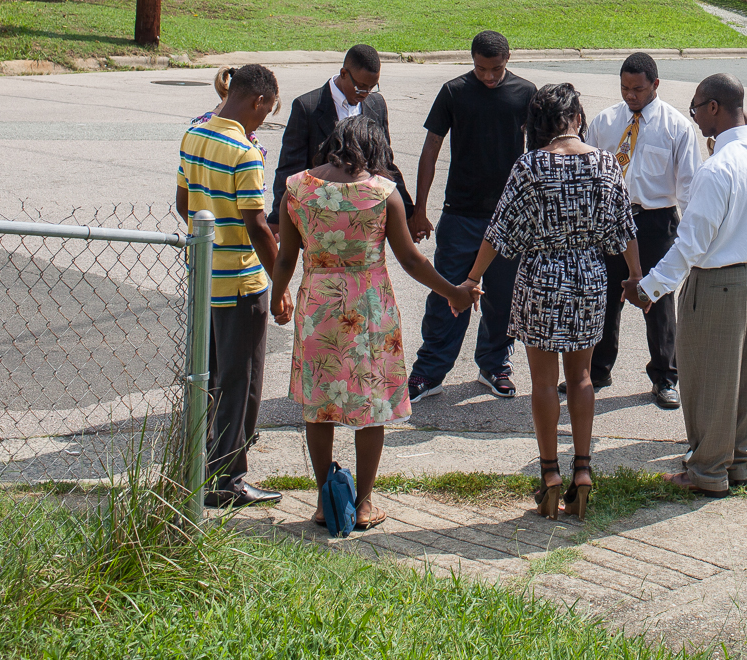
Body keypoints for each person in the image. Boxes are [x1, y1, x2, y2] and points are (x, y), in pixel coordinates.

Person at [271, 116, 477, 531]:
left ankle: (323, 502)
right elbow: (412, 260)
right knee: (371, 407)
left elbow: (287, 254)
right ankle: (363, 504)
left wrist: (279, 293)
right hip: (368, 307)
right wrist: (453, 291)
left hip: (318, 307)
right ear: (375, 150)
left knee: (320, 405)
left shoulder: (297, 188)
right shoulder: (383, 194)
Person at [464, 83, 637, 517]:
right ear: (577, 117)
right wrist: (636, 278)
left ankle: (549, 475)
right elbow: (624, 230)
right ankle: (583, 468)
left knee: (543, 383)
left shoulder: (530, 166)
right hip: (588, 277)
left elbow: (499, 232)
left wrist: (472, 279)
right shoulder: (605, 164)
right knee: (581, 379)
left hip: (541, 277)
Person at [624, 73, 747, 496]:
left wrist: (649, 287)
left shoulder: (718, 167)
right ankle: (739, 463)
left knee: (709, 378)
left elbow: (691, 244)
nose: (693, 118)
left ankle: (707, 471)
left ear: (714, 107)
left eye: (695, 108)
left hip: (720, 281)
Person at [407, 30, 536, 401]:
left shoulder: (525, 93)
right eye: (481, 68)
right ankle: (429, 372)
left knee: (504, 297)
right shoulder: (454, 91)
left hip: (509, 218)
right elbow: (432, 146)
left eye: (495, 69)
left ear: (508, 58)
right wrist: (420, 208)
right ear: (472, 61)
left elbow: (540, 150)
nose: (489, 76)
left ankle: (494, 365)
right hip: (460, 214)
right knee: (447, 293)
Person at [176, 63, 283, 507]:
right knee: (243, 383)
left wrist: (211, 239)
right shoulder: (244, 151)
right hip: (241, 283)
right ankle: (229, 481)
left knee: (208, 376)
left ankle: (196, 468)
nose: (264, 121)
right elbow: (258, 225)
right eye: (267, 113)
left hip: (204, 275)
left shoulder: (194, 132)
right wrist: (281, 283)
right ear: (257, 101)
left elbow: (183, 202)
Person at [579, 52, 702, 410]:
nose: (630, 96)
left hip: (655, 221)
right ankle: (598, 370)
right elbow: (590, 173)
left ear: (655, 85)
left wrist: (690, 236)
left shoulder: (675, 126)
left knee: (658, 301)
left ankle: (665, 377)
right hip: (613, 220)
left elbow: (690, 185)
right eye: (624, 88)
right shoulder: (605, 122)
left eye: (638, 89)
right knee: (605, 297)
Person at [272, 44, 413, 212]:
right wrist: (278, 217)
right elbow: (290, 168)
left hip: (367, 214)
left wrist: (409, 212)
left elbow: (385, 163)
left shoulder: (377, 105)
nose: (365, 93)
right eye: (361, 86)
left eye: (372, 87)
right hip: (320, 212)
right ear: (344, 74)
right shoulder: (307, 107)